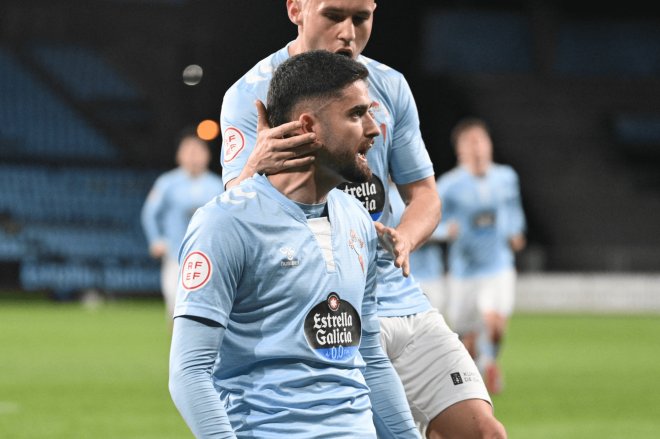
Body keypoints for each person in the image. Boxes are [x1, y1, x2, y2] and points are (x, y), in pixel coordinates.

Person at [219, 1, 506, 438]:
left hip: (398, 298)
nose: (349, 32)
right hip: (318, 312)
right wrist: (254, 165)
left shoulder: (389, 86)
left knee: (485, 433)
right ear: (296, 9)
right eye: (334, 16)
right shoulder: (250, 95)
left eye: (361, 17)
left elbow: (424, 194)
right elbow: (233, 211)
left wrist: (405, 239)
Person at [169, 51, 419, 439]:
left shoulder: (358, 220)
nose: (374, 129)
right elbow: (189, 372)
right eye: (357, 114)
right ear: (309, 126)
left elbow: (369, 358)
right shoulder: (225, 223)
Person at [437, 118, 527, 395]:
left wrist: (516, 230)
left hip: (498, 265)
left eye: (481, 140)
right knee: (468, 341)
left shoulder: (506, 177)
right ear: (460, 150)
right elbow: (429, 218)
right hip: (464, 271)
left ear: (489, 144)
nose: (477, 147)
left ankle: (490, 362)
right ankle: (476, 377)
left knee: (495, 324)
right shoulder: (449, 185)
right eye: (470, 142)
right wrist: (444, 231)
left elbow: (513, 209)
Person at [141, 129, 224, 322]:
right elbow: (149, 214)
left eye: (198, 150)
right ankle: (179, 345)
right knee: (175, 302)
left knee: (204, 309)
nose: (194, 156)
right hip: (176, 254)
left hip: (209, 255)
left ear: (208, 155)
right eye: (189, 150)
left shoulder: (218, 185)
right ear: (179, 155)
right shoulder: (167, 183)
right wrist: (156, 240)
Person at [388, 179, 446, 314]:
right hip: (405, 275)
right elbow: (403, 232)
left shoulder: (424, 192)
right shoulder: (387, 198)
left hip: (432, 273)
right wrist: (443, 231)